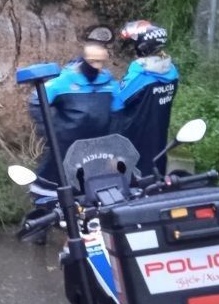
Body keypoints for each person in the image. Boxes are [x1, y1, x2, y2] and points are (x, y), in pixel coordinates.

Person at [26, 40, 117, 186]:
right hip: (66, 147)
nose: (97, 66)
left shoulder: (110, 83)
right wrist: (49, 132)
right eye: (93, 61)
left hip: (99, 148)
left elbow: (119, 112)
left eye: (100, 62)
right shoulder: (64, 80)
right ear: (85, 59)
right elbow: (37, 101)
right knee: (52, 185)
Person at [113, 20, 179, 175]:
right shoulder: (172, 72)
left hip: (134, 144)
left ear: (141, 47)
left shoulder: (139, 76)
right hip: (158, 140)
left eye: (133, 44)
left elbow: (117, 101)